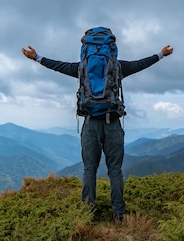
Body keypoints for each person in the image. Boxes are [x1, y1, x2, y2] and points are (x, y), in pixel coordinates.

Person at [21, 29, 173, 223]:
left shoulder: (81, 68)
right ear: (111, 48)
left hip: (91, 122)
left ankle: (88, 215)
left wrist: (37, 57)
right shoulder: (118, 67)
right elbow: (140, 64)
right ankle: (118, 215)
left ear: (87, 49)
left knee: (89, 170)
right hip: (113, 122)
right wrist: (161, 54)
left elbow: (59, 66)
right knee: (115, 170)